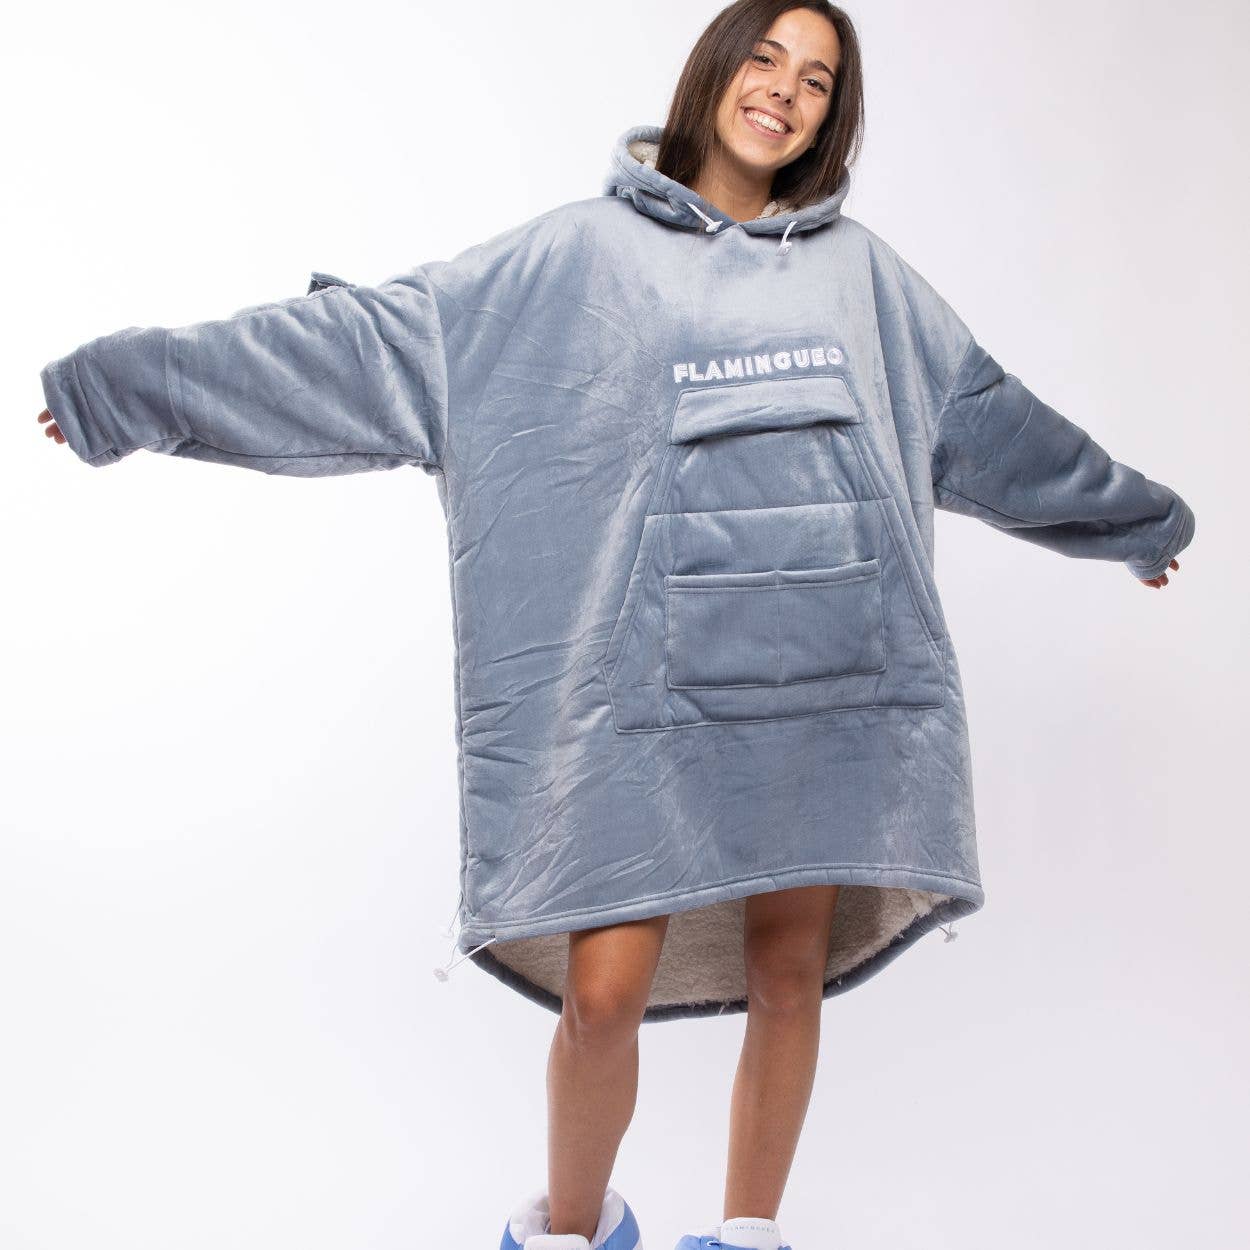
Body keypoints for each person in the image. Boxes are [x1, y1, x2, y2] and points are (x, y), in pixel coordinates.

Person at [36, 3, 1195, 1249]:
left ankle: (745, 1231)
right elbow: (372, 345)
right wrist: (127, 388)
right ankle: (571, 1230)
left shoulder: (865, 279)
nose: (784, 90)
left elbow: (990, 423)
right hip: (635, 701)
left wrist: (1136, 523)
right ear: (715, 69)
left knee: (787, 976)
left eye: (815, 80)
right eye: (765, 59)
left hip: (823, 691)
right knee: (602, 995)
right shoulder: (573, 256)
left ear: (830, 116)